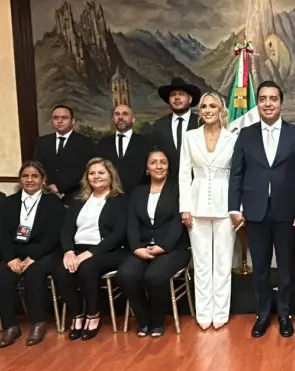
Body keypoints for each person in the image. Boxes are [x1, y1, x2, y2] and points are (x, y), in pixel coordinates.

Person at [228, 80, 295, 338]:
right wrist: (234, 207)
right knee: (261, 269)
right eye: (263, 99)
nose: (267, 103)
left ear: (280, 103)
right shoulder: (246, 134)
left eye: (272, 99)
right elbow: (237, 174)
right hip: (255, 213)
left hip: (287, 213)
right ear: (259, 104)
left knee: (287, 268)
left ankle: (285, 314)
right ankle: (263, 314)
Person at [117, 149, 190, 337]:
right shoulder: (138, 192)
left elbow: (178, 223)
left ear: (168, 166)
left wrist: (163, 247)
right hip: (142, 248)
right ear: (147, 168)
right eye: (153, 162)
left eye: (163, 162)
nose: (159, 166)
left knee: (154, 276)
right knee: (126, 274)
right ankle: (144, 320)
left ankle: (157, 322)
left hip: (173, 248)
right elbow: (131, 223)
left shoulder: (178, 190)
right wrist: (136, 248)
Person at [179, 92, 237, 330]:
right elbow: (184, 174)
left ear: (222, 109)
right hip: (197, 204)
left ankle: (221, 312)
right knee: (202, 263)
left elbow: (237, 176)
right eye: (204, 106)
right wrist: (185, 207)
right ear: (199, 111)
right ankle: (204, 312)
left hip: (225, 207)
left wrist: (237, 208)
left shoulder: (232, 138)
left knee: (223, 263)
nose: (208, 109)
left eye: (213, 105)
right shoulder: (189, 137)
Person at [54, 158, 128, 341]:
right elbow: (66, 229)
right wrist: (69, 252)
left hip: (109, 251)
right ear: (87, 177)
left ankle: (93, 315)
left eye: (101, 172)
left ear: (111, 176)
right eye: (92, 173)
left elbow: (118, 233)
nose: (96, 176)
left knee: (87, 267)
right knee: (60, 270)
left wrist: (90, 253)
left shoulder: (120, 200)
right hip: (78, 249)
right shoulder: (78, 200)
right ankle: (77, 315)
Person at [0, 162, 63, 347]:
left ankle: (38, 322)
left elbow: (54, 235)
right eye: (25, 176)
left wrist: (32, 257)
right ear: (20, 180)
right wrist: (10, 258)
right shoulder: (9, 202)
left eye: (34, 176)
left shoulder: (53, 202)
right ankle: (10, 326)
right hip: (15, 252)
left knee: (34, 273)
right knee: (2, 275)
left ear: (43, 180)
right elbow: (2, 233)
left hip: (44, 252)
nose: (29, 180)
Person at [33, 105, 95, 204]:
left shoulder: (85, 143)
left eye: (64, 118)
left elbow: (85, 170)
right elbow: (38, 167)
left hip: (75, 196)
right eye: (56, 118)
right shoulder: (42, 142)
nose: (60, 121)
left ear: (73, 121)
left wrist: (60, 188)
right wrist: (50, 186)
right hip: (47, 194)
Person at [152, 78, 201, 179]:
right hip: (168, 184)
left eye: (181, 94)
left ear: (190, 99)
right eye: (173, 95)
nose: (177, 98)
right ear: (168, 100)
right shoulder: (159, 125)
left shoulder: (201, 123)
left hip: (196, 183)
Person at [96, 104, 150, 194]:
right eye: (117, 114)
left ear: (133, 119)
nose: (120, 117)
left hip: (138, 195)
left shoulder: (145, 143)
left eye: (125, 114)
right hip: (109, 195)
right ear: (113, 119)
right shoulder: (103, 143)